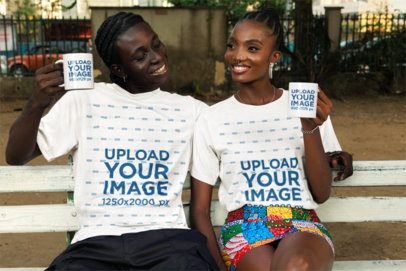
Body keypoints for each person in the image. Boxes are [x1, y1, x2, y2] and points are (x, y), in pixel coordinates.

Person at [6, 12, 218, 271]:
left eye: (156, 44)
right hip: (95, 245)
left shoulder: (192, 111)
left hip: (167, 242)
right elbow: (16, 155)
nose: (157, 57)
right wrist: (35, 104)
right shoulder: (84, 100)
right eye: (141, 56)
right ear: (118, 69)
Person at [190, 9, 351, 271]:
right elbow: (199, 211)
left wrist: (309, 128)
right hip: (244, 226)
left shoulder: (305, 106)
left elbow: (321, 193)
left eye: (252, 48)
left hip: (301, 222)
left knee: (297, 265)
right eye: (232, 45)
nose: (238, 56)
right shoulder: (212, 118)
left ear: (274, 57)